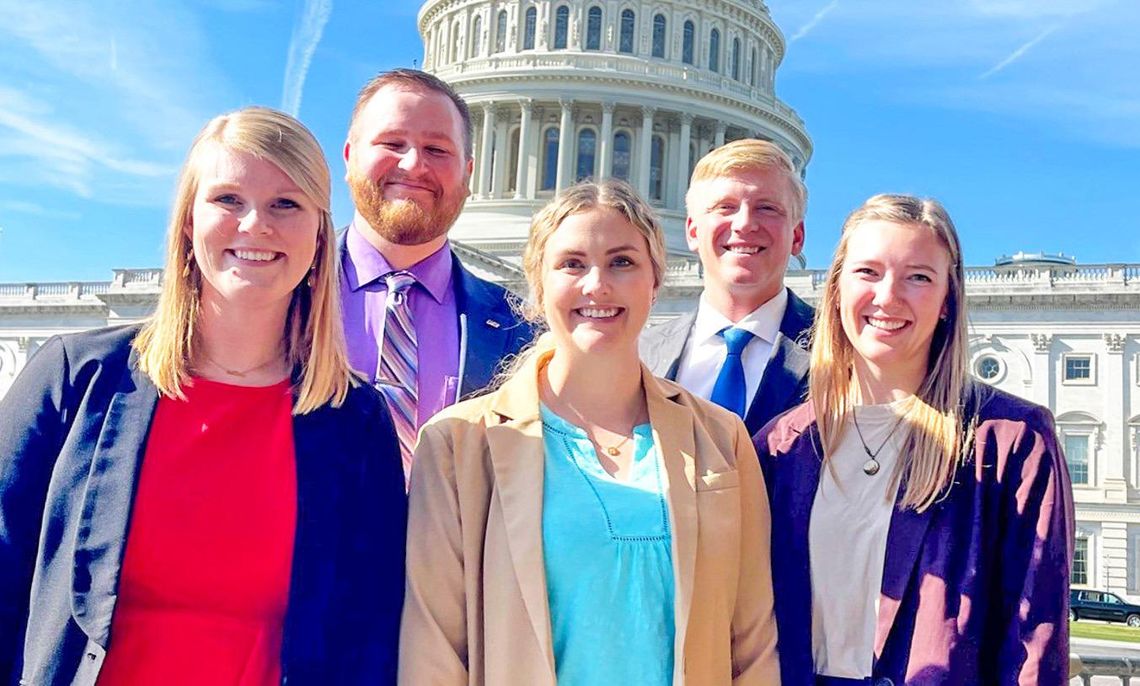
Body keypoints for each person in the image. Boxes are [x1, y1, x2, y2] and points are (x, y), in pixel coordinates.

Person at [0, 107, 407, 686]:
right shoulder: (76, 377)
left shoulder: (356, 421)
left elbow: (369, 633)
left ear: (320, 233)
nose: (254, 225)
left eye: (285, 204)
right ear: (188, 223)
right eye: (228, 200)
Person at [399, 179, 780, 685]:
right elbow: (435, 649)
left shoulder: (720, 439)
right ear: (537, 285)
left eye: (622, 262)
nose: (597, 285)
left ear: (655, 281)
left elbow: (752, 644)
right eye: (572, 264)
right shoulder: (458, 444)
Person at [755, 194, 1074, 684]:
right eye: (868, 272)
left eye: (918, 277)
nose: (888, 296)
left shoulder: (1012, 441)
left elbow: (1035, 639)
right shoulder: (783, 444)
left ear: (948, 299)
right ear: (836, 288)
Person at [340, 68, 533, 477]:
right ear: (349, 156)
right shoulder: (284, 294)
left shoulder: (522, 330)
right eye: (392, 143)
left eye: (437, 150)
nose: (413, 165)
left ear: (468, 171)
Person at [640, 139, 815, 436]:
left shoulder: (841, 352)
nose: (744, 224)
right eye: (725, 207)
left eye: (767, 208)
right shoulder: (641, 356)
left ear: (797, 236)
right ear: (693, 233)